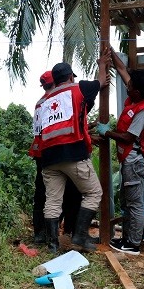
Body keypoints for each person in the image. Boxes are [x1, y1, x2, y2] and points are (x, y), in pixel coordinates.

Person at [36, 47, 111, 252]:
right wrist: (101, 64)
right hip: (73, 154)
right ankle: (79, 236)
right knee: (94, 193)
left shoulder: (45, 100)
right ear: (70, 76)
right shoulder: (78, 88)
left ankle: (52, 245)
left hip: (49, 158)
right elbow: (102, 82)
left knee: (52, 200)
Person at [95, 52, 144, 256]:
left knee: (135, 203)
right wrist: (111, 52)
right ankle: (127, 239)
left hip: (135, 159)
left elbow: (129, 138)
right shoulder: (137, 96)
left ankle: (133, 244)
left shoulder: (141, 111)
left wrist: (107, 132)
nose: (127, 87)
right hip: (129, 159)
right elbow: (123, 70)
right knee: (128, 201)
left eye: (130, 87)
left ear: (138, 91)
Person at [29, 71, 82, 245]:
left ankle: (41, 234)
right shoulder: (56, 100)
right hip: (56, 151)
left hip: (40, 152)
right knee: (71, 193)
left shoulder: (40, 102)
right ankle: (70, 232)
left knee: (42, 194)